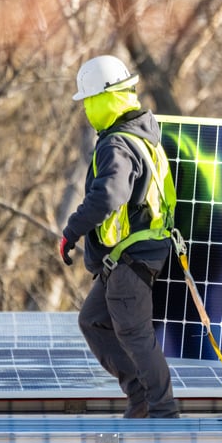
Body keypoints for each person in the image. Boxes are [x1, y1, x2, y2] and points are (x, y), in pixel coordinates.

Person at [59, 55, 179, 419]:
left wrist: (71, 231)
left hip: (132, 258)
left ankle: (162, 411)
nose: (87, 111)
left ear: (103, 99)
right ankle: (141, 398)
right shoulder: (144, 134)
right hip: (132, 256)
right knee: (93, 320)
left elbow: (109, 196)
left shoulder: (117, 144)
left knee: (134, 334)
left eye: (88, 102)